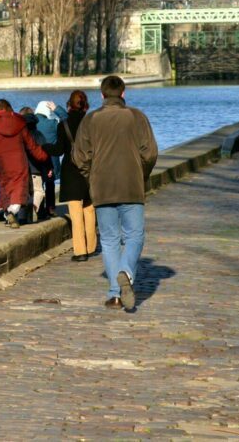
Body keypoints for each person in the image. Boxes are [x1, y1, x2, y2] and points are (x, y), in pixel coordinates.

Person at [72, 76, 158, 311]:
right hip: (131, 185)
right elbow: (150, 153)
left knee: (109, 240)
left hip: (102, 187)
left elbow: (79, 156)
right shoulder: (136, 117)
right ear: (123, 94)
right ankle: (126, 271)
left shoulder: (91, 119)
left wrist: (92, 176)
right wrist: (141, 175)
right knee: (134, 235)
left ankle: (114, 294)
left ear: (101, 95)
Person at [42, 90, 96, 262]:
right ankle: (92, 246)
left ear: (69, 105)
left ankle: (80, 251)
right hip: (90, 169)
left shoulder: (63, 125)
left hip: (71, 171)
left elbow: (58, 150)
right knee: (89, 208)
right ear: (85, 105)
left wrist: (44, 147)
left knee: (75, 211)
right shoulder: (92, 123)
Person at [0, 99, 49, 228]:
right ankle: (13, 212)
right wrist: (43, 156)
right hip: (19, 162)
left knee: (6, 190)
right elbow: (31, 145)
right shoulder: (19, 124)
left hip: (1, 164)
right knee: (19, 191)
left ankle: (8, 213)